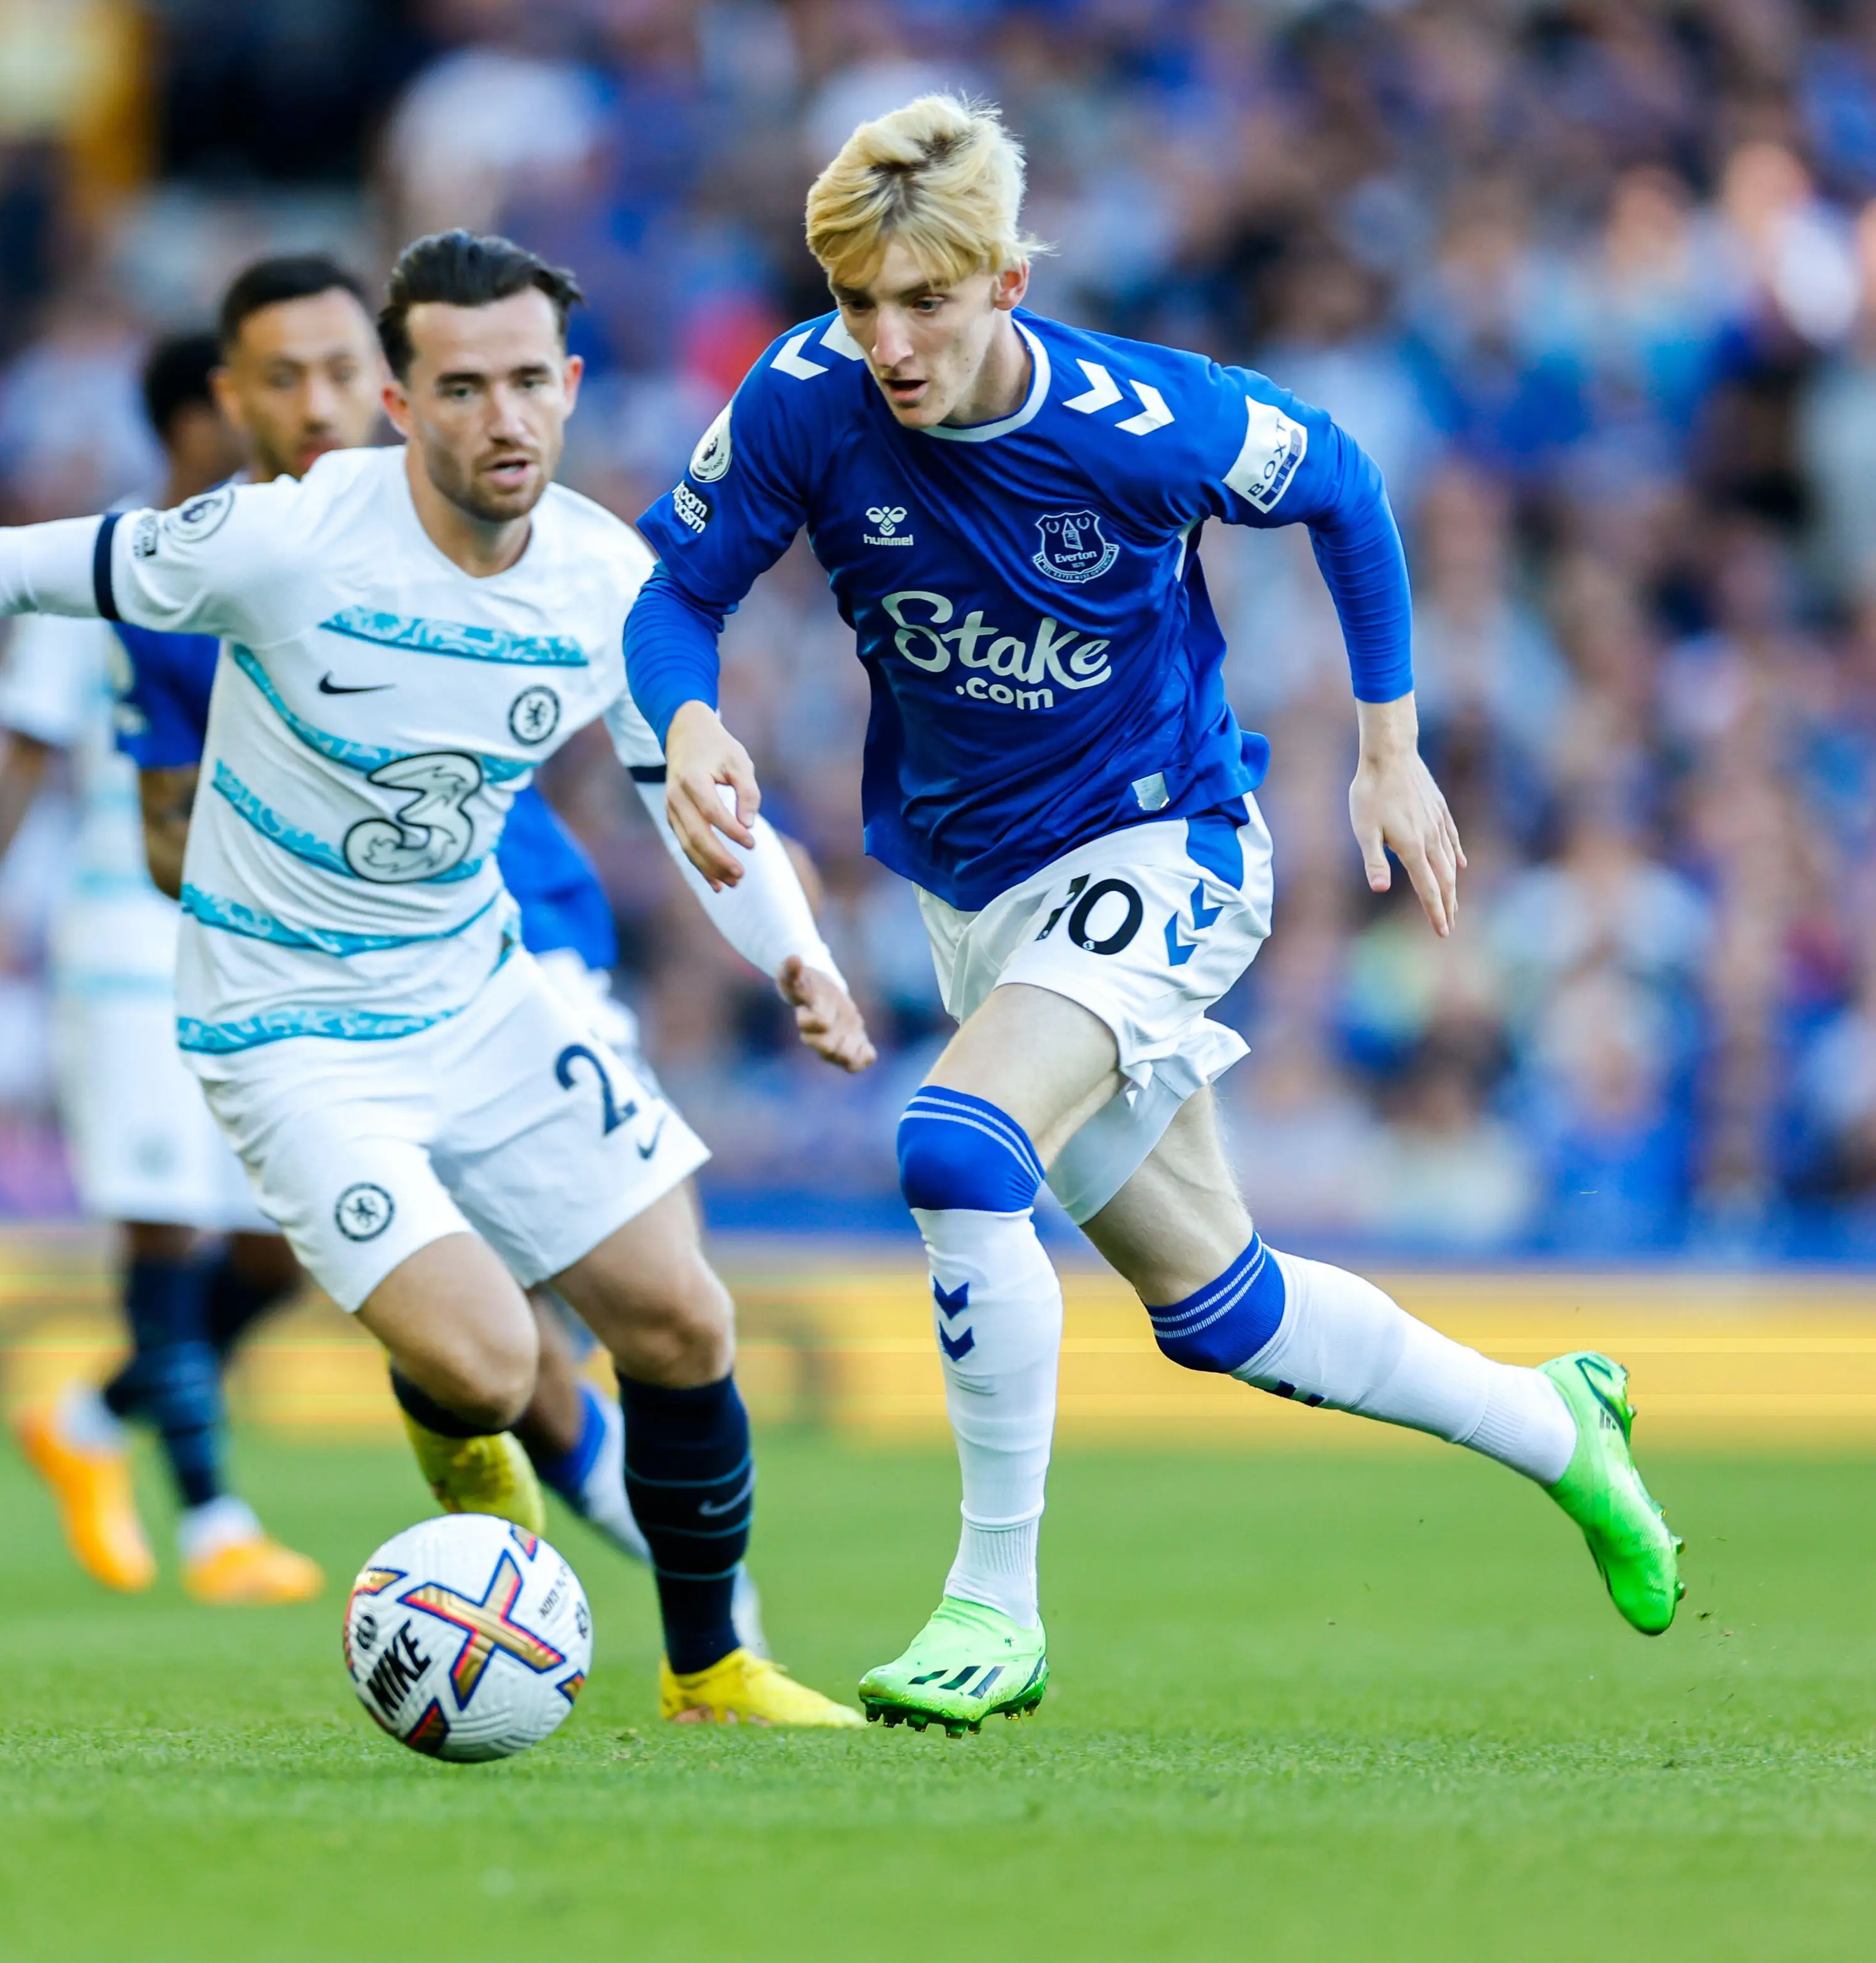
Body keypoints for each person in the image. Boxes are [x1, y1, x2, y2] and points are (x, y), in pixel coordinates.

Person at [0, 230, 875, 1727]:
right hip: (289, 1030)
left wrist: (799, 955)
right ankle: (456, 1435)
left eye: (527, 384)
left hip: (481, 993)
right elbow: (4, 566)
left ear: (570, 387)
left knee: (682, 1322)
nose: (502, 419)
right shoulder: (282, 539)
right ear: (400, 405)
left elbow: (697, 810)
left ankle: (714, 1670)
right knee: (496, 1368)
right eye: (462, 388)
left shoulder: (606, 581)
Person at [624, 95, 1684, 1734]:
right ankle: (1562, 1427)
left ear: (1010, 284)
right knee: (1219, 1309)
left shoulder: (1141, 420)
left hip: (1163, 847)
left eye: (927, 302)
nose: (888, 343)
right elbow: (675, 596)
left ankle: (994, 1607)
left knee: (957, 1146)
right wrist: (690, 718)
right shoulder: (802, 397)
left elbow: (1344, 485)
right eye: (858, 301)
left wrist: (1389, 746)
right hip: (979, 893)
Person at [115, 257, 749, 1636]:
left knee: (638, 1309)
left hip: (532, 952)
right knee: (496, 1347)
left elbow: (641, 716)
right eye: (282, 379)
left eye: (341, 371)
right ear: (231, 400)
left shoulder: (517, 544)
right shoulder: (212, 571)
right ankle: (576, 1589)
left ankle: (700, 1625)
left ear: (386, 386)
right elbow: (164, 835)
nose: (317, 403)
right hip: (325, 1005)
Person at [0, 330, 323, 1608]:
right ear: (194, 417)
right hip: (122, 931)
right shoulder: (99, 567)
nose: (285, 416)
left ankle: (90, 1417)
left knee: (284, 1246)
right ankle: (214, 1523)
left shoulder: (285, 560)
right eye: (253, 395)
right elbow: (19, 763)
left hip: (254, 935)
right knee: (165, 1220)